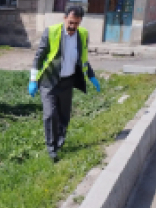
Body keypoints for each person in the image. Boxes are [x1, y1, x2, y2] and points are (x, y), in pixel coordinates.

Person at [28, 6, 101, 163]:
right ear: (64, 18)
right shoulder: (51, 32)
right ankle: (51, 148)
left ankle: (60, 140)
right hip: (49, 80)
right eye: (71, 22)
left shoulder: (82, 35)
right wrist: (33, 79)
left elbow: (83, 58)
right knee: (50, 114)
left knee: (64, 115)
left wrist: (91, 75)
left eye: (77, 23)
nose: (73, 27)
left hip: (67, 82)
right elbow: (38, 57)